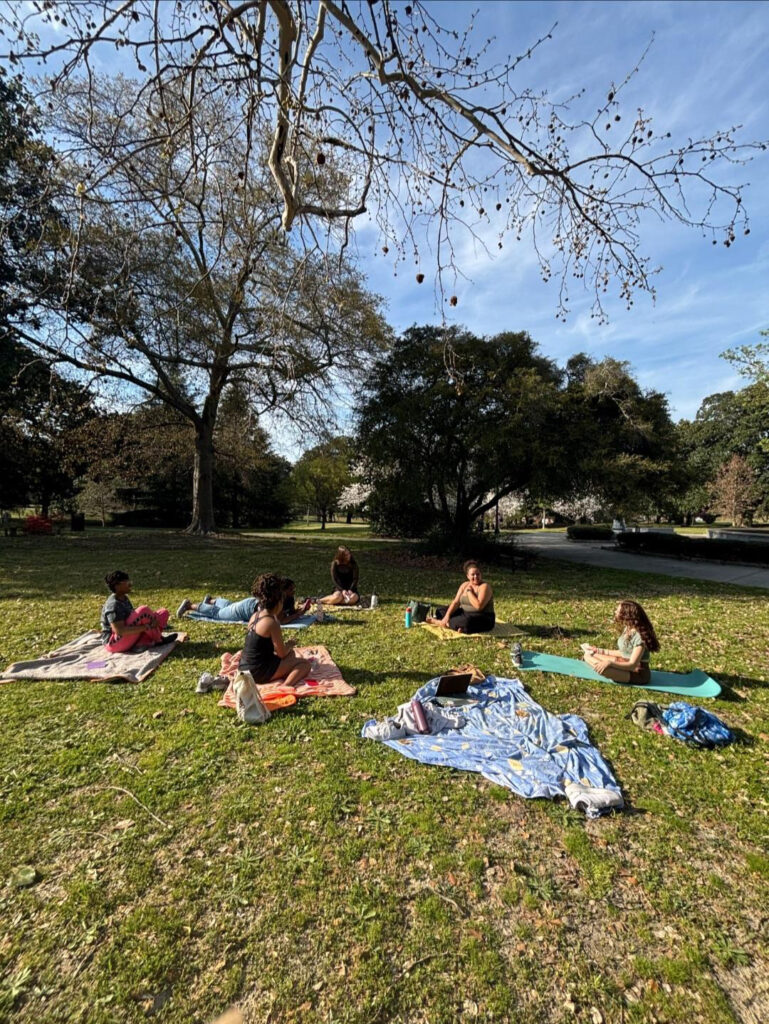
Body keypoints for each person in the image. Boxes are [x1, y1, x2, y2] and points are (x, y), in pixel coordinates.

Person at [240, 573, 312, 686]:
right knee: (305, 664)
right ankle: (286, 686)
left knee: (292, 654)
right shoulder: (272, 622)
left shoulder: (256, 615)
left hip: (245, 667)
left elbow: (261, 646)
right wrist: (290, 644)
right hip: (257, 671)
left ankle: (281, 674)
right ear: (279, 602)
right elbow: (282, 653)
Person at [582, 600, 660, 684]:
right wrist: (598, 650)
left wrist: (610, 663)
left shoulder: (639, 637)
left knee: (604, 670)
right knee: (589, 655)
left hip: (637, 673)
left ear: (626, 615)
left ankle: (600, 666)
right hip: (623, 661)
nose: (615, 612)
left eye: (618, 611)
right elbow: (624, 652)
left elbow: (632, 665)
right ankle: (598, 664)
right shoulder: (628, 628)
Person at [100, 570, 175, 652]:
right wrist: (147, 627)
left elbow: (133, 617)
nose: (130, 584)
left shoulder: (124, 598)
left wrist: (150, 622)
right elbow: (119, 631)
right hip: (114, 643)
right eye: (127, 582)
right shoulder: (113, 605)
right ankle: (159, 639)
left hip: (129, 635)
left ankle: (140, 643)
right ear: (117, 585)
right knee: (143, 610)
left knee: (163, 613)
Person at [178, 578, 311, 623]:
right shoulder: (277, 600)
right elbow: (281, 620)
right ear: (283, 591)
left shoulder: (287, 598)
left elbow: (289, 614)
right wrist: (300, 613)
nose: (293, 592)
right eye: (291, 590)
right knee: (219, 614)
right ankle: (190, 606)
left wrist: (300, 610)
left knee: (229, 605)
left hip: (248, 604)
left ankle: (212, 601)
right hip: (245, 610)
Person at [426, 560, 495, 634]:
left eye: (478, 574)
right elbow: (456, 602)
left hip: (483, 617)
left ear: (481, 574)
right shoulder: (464, 585)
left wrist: (469, 592)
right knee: (441, 611)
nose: (476, 577)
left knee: (467, 621)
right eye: (473, 574)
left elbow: (479, 606)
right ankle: (455, 625)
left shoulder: (484, 587)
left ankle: (440, 623)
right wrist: (447, 616)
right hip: (465, 613)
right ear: (468, 576)